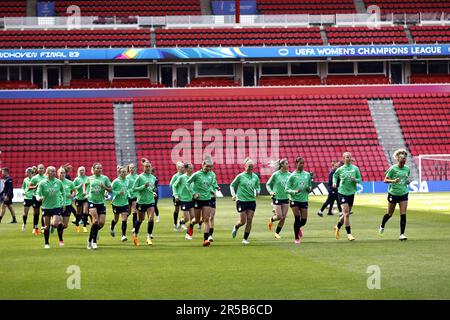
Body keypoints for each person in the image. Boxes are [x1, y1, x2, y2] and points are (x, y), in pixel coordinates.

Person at [379, 149, 411, 241]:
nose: (403, 159)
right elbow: (385, 180)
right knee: (389, 214)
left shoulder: (407, 169)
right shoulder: (393, 169)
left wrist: (407, 182)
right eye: (401, 158)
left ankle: (402, 234)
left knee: (403, 214)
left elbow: (406, 179)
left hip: (403, 193)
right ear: (398, 158)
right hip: (393, 193)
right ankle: (382, 225)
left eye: (404, 158)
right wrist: (393, 181)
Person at [230, 158, 260, 245]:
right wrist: (233, 195)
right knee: (243, 221)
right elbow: (232, 185)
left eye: (252, 166)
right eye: (249, 166)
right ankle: (236, 227)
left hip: (251, 200)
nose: (251, 168)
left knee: (250, 220)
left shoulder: (255, 177)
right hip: (241, 200)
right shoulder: (240, 176)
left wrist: (258, 191)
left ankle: (245, 239)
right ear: (245, 166)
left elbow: (258, 186)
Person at [187, 156, 215, 247]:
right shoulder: (196, 174)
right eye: (207, 166)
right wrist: (193, 193)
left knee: (206, 219)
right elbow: (187, 183)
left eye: (210, 167)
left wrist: (211, 190)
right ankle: (191, 225)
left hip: (207, 199)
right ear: (202, 165)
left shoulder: (211, 175)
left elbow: (209, 185)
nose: (209, 168)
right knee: (197, 220)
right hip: (197, 200)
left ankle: (205, 240)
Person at [332, 152, 361, 241]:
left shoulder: (355, 168)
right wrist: (334, 182)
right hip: (342, 192)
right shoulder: (340, 169)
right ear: (343, 159)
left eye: (349, 157)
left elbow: (359, 179)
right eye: (346, 157)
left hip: (351, 193)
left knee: (346, 214)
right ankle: (349, 234)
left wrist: (355, 179)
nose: (348, 158)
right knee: (347, 214)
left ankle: (337, 226)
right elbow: (335, 175)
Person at [36, 166, 65, 248]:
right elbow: (38, 193)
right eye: (52, 171)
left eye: (54, 171)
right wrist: (38, 197)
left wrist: (63, 202)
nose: (54, 173)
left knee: (56, 224)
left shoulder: (58, 182)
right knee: (46, 226)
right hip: (46, 207)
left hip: (56, 206)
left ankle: (59, 237)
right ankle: (46, 243)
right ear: (47, 172)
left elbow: (63, 193)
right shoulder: (42, 183)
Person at [285, 157, 312, 244]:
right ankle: (296, 237)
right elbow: (286, 189)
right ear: (296, 164)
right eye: (300, 163)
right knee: (297, 218)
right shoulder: (292, 176)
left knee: (303, 220)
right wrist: (295, 191)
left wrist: (309, 189)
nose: (302, 165)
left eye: (303, 163)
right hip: (294, 199)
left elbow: (310, 186)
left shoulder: (307, 175)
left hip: (304, 199)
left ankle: (298, 228)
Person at [86, 163, 112, 250]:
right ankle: (94, 242)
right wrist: (85, 192)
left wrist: (104, 187)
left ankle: (90, 239)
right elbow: (85, 185)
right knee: (96, 221)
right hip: (92, 201)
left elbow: (111, 189)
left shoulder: (105, 178)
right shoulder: (89, 178)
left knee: (101, 223)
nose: (99, 169)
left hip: (101, 202)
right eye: (97, 168)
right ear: (93, 169)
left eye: (100, 168)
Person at [132, 158, 157, 246]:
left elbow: (151, 188)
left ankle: (149, 237)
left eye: (149, 166)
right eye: (146, 166)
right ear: (143, 167)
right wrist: (143, 186)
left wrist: (153, 192)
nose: (148, 168)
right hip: (141, 202)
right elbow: (134, 189)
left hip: (150, 201)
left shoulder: (153, 178)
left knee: (151, 219)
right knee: (140, 219)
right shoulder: (140, 177)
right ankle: (135, 235)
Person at [266, 159, 290, 239]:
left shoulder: (289, 174)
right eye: (286, 163)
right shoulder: (276, 174)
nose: (288, 165)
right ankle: (272, 219)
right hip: (277, 197)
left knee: (284, 217)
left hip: (286, 197)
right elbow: (268, 184)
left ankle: (277, 233)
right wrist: (271, 192)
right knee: (280, 216)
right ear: (282, 165)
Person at [172, 162, 195, 240]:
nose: (192, 169)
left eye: (192, 168)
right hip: (184, 199)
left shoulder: (194, 177)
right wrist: (176, 195)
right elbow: (174, 186)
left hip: (192, 199)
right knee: (187, 218)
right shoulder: (181, 177)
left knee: (193, 218)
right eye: (190, 168)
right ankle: (181, 221)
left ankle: (188, 234)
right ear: (186, 169)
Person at [110, 166, 130, 242]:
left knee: (124, 219)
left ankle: (123, 235)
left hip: (125, 203)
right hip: (116, 203)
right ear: (119, 173)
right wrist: (118, 192)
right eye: (122, 172)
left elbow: (128, 189)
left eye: (125, 172)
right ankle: (112, 228)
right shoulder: (116, 181)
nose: (124, 173)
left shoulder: (127, 181)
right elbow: (110, 190)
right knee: (116, 219)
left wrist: (129, 194)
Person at [58, 167, 76, 236]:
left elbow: (74, 190)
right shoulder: (55, 182)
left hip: (68, 204)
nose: (62, 174)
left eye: (63, 173)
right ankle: (61, 239)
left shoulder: (69, 183)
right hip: (58, 204)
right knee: (59, 223)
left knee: (65, 225)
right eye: (61, 173)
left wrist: (72, 195)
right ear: (58, 173)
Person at [28, 164, 46, 235]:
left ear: (44, 169)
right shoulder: (34, 178)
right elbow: (29, 187)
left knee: (44, 213)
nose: (41, 169)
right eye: (40, 168)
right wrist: (36, 186)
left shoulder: (46, 178)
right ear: (37, 169)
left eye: (42, 168)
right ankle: (35, 227)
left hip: (44, 197)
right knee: (36, 213)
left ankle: (43, 227)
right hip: (36, 197)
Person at [73, 166, 89, 233]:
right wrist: (78, 186)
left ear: (85, 171)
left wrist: (87, 192)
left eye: (83, 170)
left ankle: (84, 226)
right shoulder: (76, 179)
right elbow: (73, 188)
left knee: (85, 212)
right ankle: (77, 226)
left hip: (85, 198)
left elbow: (90, 186)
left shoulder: (88, 178)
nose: (82, 171)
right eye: (80, 170)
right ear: (78, 171)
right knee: (78, 213)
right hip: (78, 198)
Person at [169, 162, 184, 231]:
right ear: (177, 168)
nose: (183, 168)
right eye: (181, 167)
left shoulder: (185, 175)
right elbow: (171, 185)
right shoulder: (175, 176)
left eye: (183, 167)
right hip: (177, 196)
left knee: (185, 210)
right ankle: (175, 224)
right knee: (177, 209)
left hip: (184, 196)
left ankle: (182, 223)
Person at [126, 163, 139, 232]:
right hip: (128, 196)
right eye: (130, 168)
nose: (132, 169)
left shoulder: (138, 177)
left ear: (135, 168)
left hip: (135, 196)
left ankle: (134, 227)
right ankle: (124, 219)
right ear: (129, 169)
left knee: (135, 211)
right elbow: (126, 187)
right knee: (128, 212)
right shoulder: (127, 177)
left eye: (133, 167)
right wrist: (128, 193)